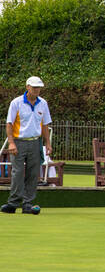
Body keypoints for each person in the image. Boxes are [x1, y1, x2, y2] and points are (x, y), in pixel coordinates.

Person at [2, 76, 53, 216]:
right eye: (34, 87)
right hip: (18, 141)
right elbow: (9, 124)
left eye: (39, 88)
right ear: (27, 87)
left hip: (36, 142)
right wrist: (11, 142)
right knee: (17, 173)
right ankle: (13, 203)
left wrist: (47, 143)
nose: (37, 90)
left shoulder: (43, 103)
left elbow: (45, 125)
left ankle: (27, 204)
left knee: (33, 173)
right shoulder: (16, 103)